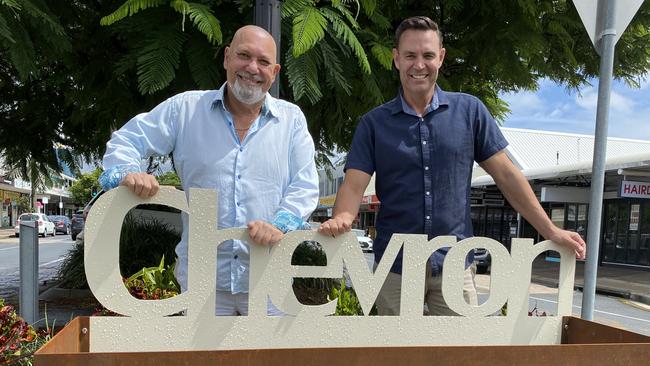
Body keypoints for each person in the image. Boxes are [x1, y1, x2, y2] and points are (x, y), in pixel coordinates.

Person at [318, 16, 586, 316]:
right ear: (396, 59)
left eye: (428, 55)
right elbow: (354, 185)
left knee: (458, 356)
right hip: (394, 268)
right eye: (410, 55)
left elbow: (507, 175)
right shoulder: (373, 124)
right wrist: (342, 217)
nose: (419, 64)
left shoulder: (470, 111)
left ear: (441, 58)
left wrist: (550, 230)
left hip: (455, 265)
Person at [99, 25, 319, 315]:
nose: (252, 68)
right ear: (227, 57)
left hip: (269, 279)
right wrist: (129, 173)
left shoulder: (291, 121)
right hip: (203, 282)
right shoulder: (185, 111)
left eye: (263, 62)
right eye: (243, 55)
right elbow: (126, 140)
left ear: (275, 71)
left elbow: (305, 185)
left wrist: (278, 225)